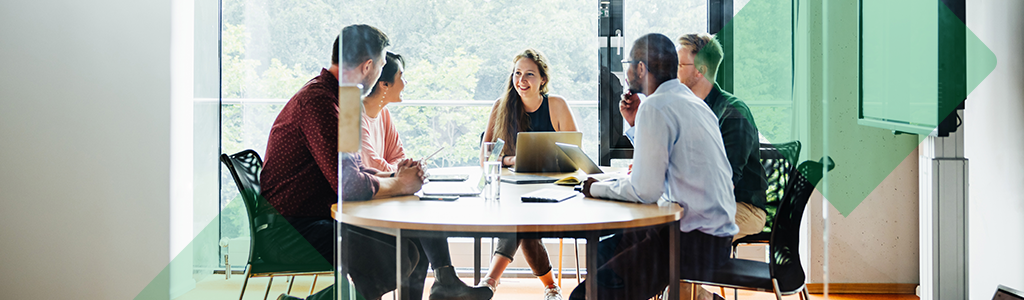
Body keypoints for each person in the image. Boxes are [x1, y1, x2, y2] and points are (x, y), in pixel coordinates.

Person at [260, 25, 490, 300]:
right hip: (289, 231)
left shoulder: (340, 98)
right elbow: (349, 186)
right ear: (368, 66)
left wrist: (395, 175)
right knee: (394, 259)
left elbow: (352, 172)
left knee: (411, 241)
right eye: (382, 66)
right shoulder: (319, 102)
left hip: (313, 216)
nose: (381, 71)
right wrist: (400, 183)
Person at [570, 33, 737, 300]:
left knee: (586, 295)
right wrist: (636, 124)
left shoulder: (657, 107)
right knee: (601, 254)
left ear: (640, 68)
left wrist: (596, 188)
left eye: (628, 63)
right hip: (712, 236)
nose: (625, 72)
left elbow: (645, 191)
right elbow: (655, 170)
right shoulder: (694, 103)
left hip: (692, 241)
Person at [478, 48, 578, 300]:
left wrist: (526, 161)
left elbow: (575, 156)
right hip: (513, 191)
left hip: (553, 190)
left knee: (519, 221)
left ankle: (489, 282)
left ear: (543, 79)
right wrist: (514, 159)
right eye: (517, 73)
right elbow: (485, 158)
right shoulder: (501, 107)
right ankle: (551, 287)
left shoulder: (557, 105)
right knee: (521, 221)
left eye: (529, 74)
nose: (521, 80)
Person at [677, 33, 767, 242]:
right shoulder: (690, 110)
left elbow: (725, 182)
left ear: (700, 71)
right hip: (707, 202)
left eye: (680, 65)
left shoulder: (733, 113)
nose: (674, 72)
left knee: (670, 236)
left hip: (743, 206)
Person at [359, 51, 407, 172]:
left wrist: (402, 170)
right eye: (401, 76)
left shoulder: (384, 113)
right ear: (384, 84)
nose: (405, 82)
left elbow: (399, 157)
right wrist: (402, 172)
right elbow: (372, 166)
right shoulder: (355, 117)